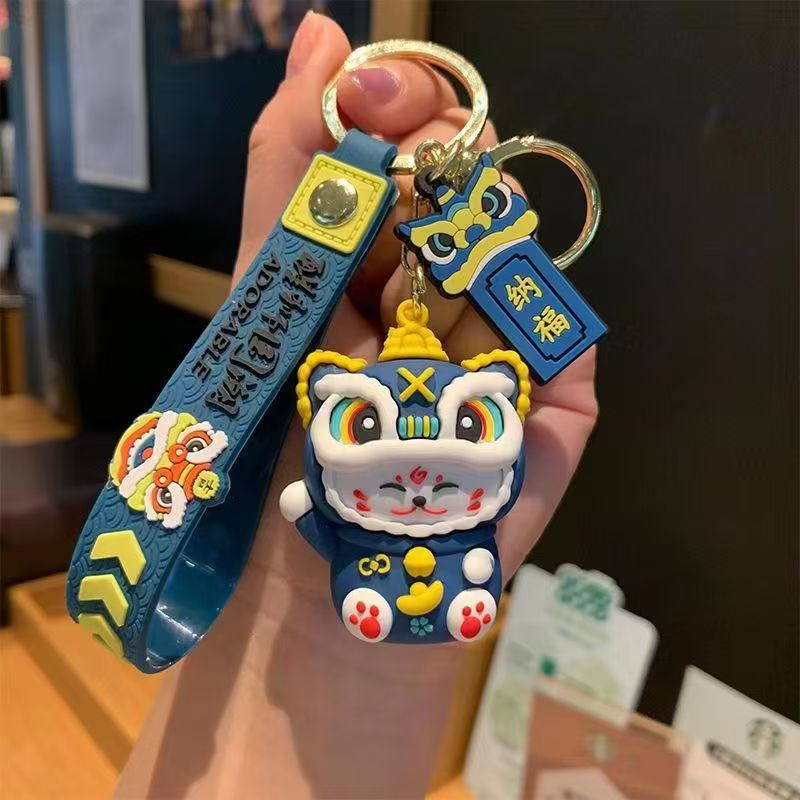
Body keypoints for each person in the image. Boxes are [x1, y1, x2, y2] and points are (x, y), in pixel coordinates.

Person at [116, 12, 597, 799]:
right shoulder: (342, 447)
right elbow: (319, 517)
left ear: (501, 399)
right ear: (324, 398)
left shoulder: (482, 468)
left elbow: (353, 510)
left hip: (443, 567)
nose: (416, 467)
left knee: (467, 567)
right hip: (361, 577)